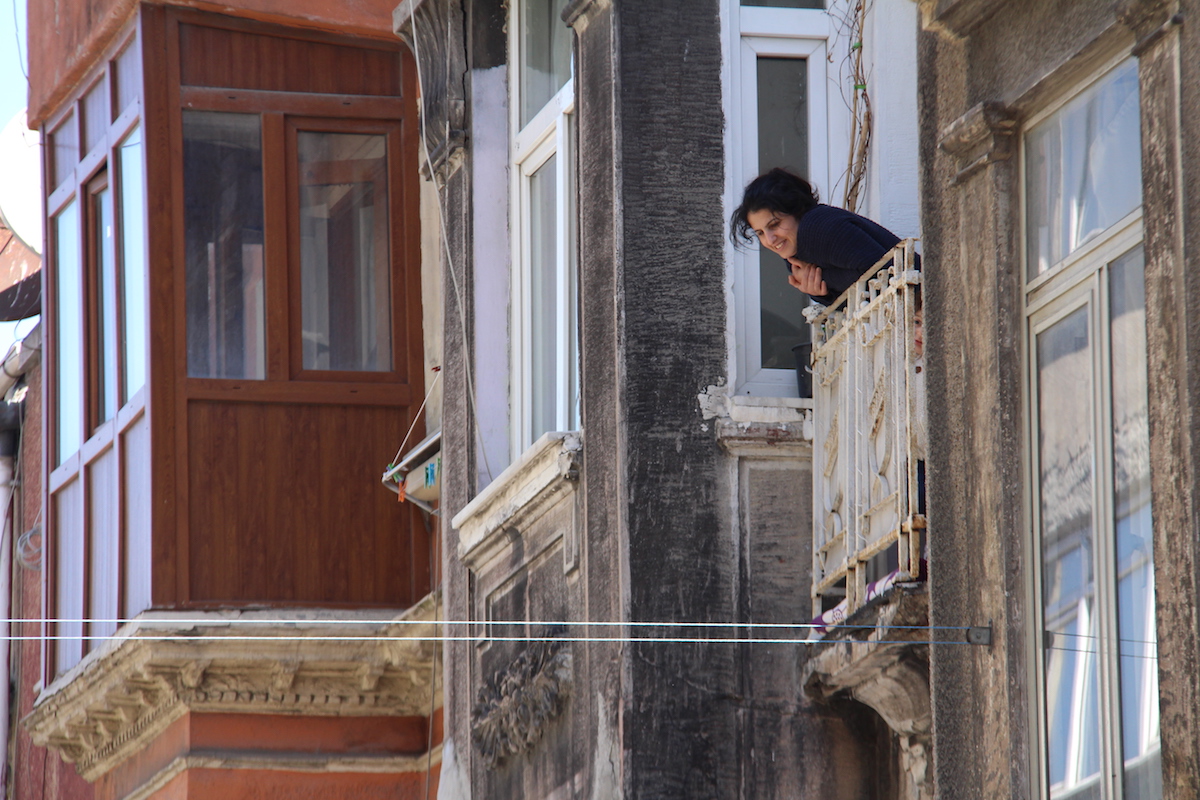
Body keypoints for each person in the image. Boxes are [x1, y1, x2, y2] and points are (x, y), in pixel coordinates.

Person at [730, 167, 912, 305]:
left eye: (775, 225)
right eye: (760, 233)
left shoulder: (815, 229)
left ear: (797, 211)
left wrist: (822, 278)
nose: (770, 240)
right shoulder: (795, 252)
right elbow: (856, 301)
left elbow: (883, 273)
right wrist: (821, 294)